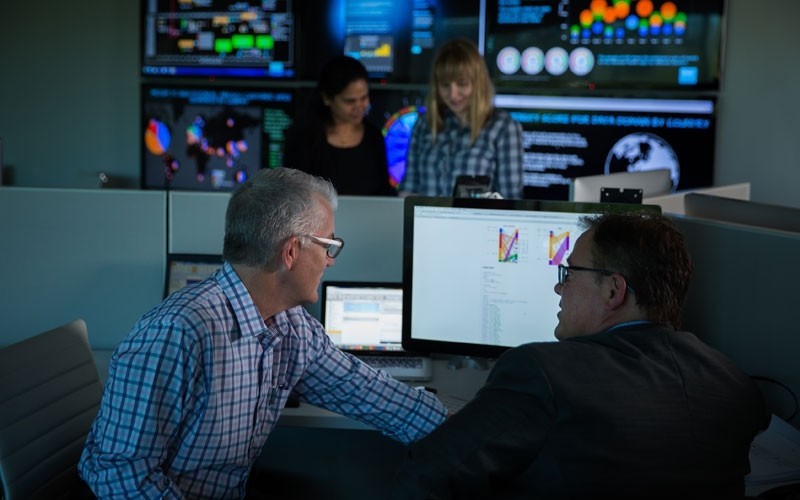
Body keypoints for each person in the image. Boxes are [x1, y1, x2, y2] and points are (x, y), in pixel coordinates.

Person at [78, 167, 446, 498]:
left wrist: (486, 423)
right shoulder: (177, 333)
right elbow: (120, 475)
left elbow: (373, 396)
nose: (331, 260)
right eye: (329, 245)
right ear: (290, 252)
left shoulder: (291, 326)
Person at [390, 212, 770, 499]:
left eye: (570, 274)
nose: (560, 289)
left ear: (613, 291)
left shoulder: (543, 372)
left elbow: (428, 473)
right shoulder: (737, 387)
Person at [398, 38, 524, 199]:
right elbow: (409, 189)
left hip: (479, 224)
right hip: (426, 223)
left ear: (478, 83)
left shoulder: (503, 128)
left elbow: (511, 200)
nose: (453, 94)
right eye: (445, 85)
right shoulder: (424, 124)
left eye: (462, 84)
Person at [283, 55, 396, 196]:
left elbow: (383, 192)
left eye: (364, 98)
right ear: (327, 98)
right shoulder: (303, 139)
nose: (360, 106)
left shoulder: (374, 138)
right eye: (350, 101)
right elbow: (291, 194)